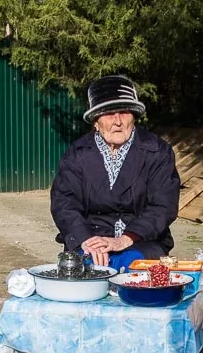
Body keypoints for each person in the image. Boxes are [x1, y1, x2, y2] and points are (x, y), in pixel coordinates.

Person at [50, 75, 181, 271]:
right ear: (96, 121)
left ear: (134, 116)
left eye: (124, 112)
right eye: (109, 113)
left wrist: (124, 239)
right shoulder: (77, 154)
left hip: (141, 240)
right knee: (86, 274)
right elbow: (64, 203)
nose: (118, 121)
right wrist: (86, 240)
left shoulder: (157, 151)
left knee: (134, 271)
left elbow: (163, 206)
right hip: (90, 240)